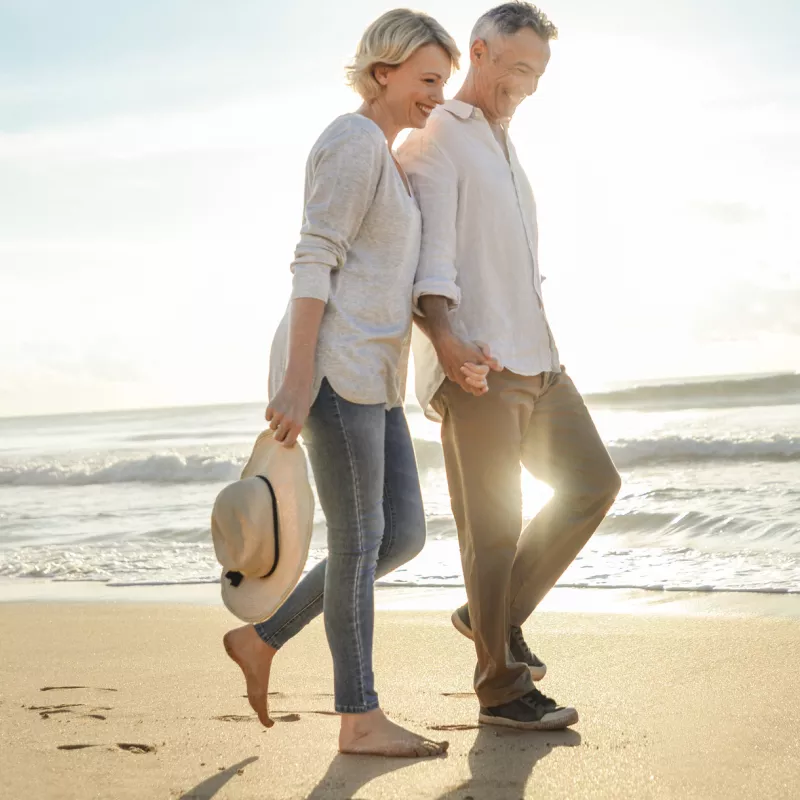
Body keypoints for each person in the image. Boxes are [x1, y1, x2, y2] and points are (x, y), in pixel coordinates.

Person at [222, 9, 472, 758]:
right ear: (383, 71)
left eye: (443, 83)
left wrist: (446, 348)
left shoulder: (389, 158)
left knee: (400, 535)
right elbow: (313, 257)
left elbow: (386, 279)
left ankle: (262, 639)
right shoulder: (352, 140)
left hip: (375, 376)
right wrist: (299, 378)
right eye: (428, 79)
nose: (436, 96)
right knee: (361, 542)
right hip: (333, 370)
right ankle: (359, 718)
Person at [398, 2, 622, 731]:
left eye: (538, 74)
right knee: (491, 530)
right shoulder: (438, 137)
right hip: (479, 364)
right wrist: (445, 340)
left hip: (539, 356)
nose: (527, 85)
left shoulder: (503, 141)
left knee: (594, 483)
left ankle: (488, 616)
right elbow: (429, 257)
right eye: (518, 68)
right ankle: (500, 690)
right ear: (481, 53)